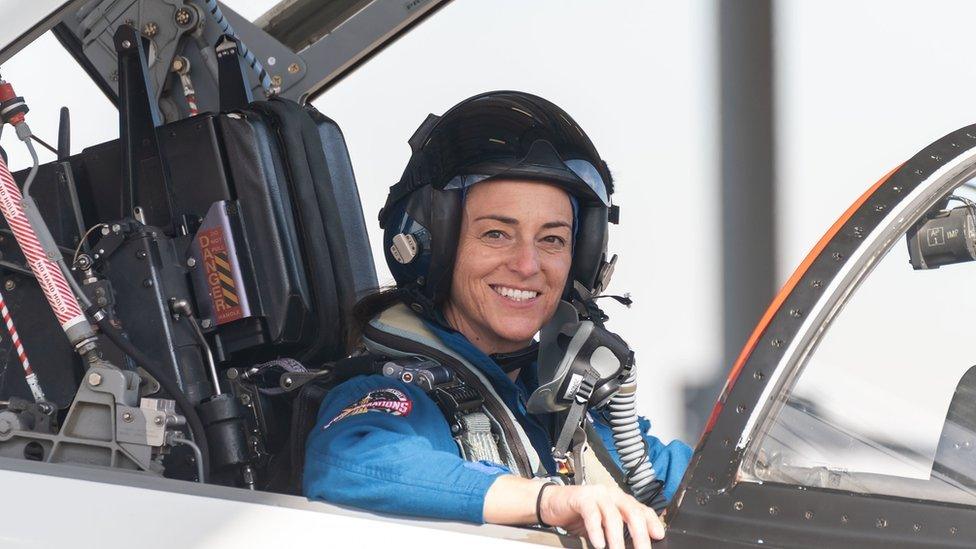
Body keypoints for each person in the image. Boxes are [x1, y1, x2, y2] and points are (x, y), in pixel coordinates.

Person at [304, 91, 692, 549]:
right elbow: (349, 460)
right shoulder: (400, 394)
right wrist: (549, 502)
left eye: (552, 240)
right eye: (496, 234)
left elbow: (705, 481)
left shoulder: (556, 402)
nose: (527, 265)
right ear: (434, 243)